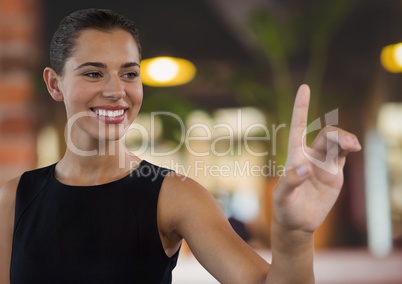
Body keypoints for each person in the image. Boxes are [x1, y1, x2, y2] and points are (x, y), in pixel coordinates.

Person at [0, 8, 361, 284]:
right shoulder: (15, 197)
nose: (116, 91)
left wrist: (294, 235)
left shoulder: (173, 196)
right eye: (93, 73)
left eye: (129, 74)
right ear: (54, 84)